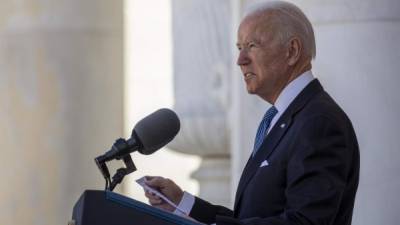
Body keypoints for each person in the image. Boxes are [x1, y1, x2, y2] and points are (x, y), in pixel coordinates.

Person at [144, 1, 359, 225]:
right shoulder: (283, 118)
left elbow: (305, 222)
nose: (240, 60)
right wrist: (183, 203)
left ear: (292, 51)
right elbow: (250, 218)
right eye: (239, 48)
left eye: (252, 45)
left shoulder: (319, 123)